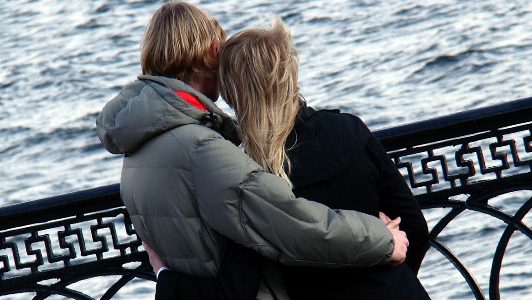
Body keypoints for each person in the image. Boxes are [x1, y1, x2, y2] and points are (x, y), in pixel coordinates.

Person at [95, 2, 409, 300]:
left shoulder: (137, 148)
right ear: (213, 51)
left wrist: (165, 279)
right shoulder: (200, 147)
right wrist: (382, 240)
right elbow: (290, 224)